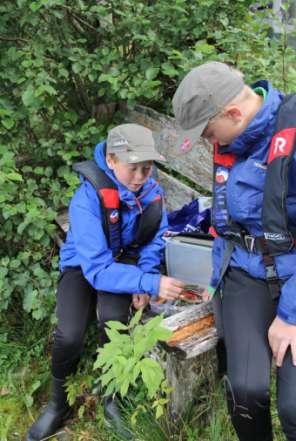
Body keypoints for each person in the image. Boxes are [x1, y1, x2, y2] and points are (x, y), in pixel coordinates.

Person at [25, 123, 185, 441]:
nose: (141, 177)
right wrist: (151, 283)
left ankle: (111, 397)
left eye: (147, 168)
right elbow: (97, 269)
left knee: (114, 323)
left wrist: (144, 279)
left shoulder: (152, 193)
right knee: (69, 335)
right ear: (111, 160)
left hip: (124, 264)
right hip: (85, 266)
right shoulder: (86, 201)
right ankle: (59, 404)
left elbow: (154, 238)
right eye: (133, 168)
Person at [172, 61, 296, 441]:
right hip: (245, 271)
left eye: (209, 132)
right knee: (246, 394)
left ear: (234, 113)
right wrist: (214, 278)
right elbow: (227, 226)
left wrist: (290, 316)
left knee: (293, 408)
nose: (210, 142)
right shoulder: (231, 141)